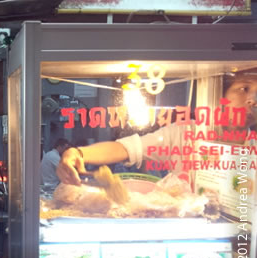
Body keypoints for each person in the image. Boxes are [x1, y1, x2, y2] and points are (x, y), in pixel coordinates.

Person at [57, 72, 257, 186]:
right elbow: (127, 148)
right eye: (244, 89)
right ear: (220, 95)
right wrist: (77, 153)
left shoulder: (253, 148)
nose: (251, 100)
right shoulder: (186, 133)